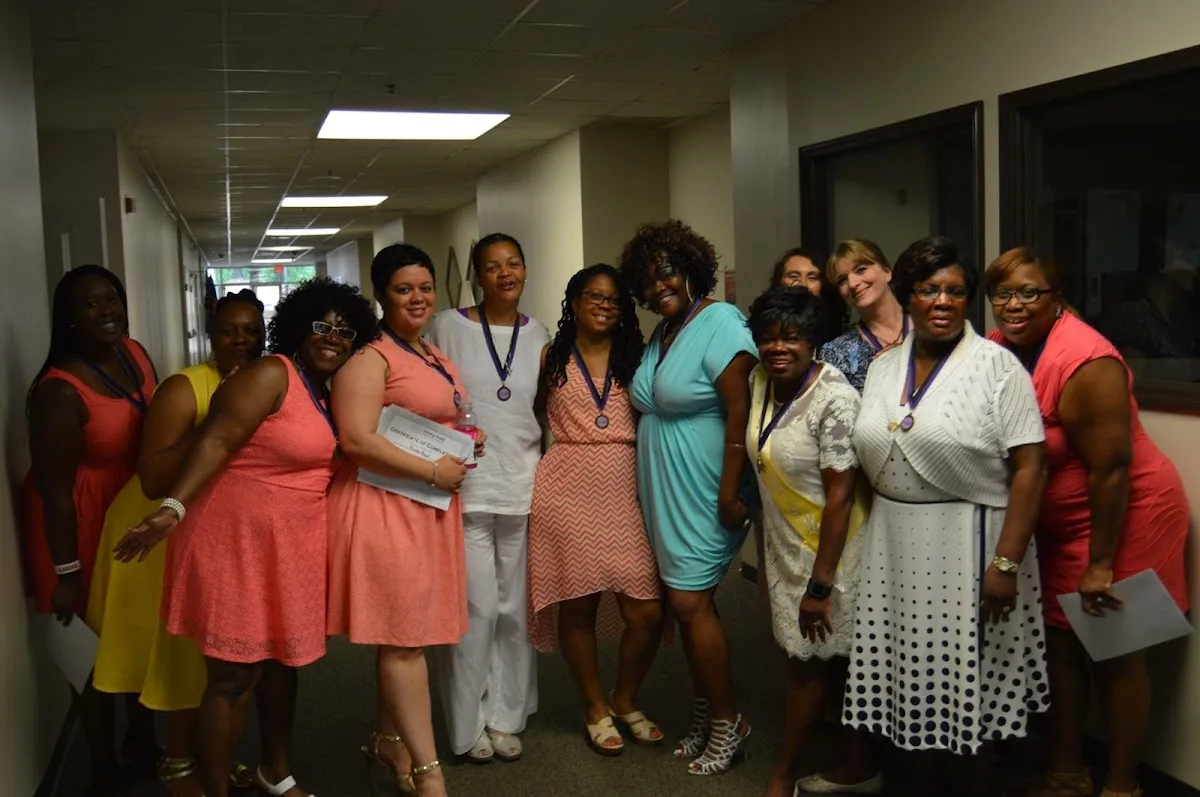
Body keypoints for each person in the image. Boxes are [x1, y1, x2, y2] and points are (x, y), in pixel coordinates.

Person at [113, 277, 379, 797]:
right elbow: (215, 441)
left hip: (291, 547)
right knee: (233, 679)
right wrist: (172, 508)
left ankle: (274, 771)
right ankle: (217, 789)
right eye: (322, 326)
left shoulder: (324, 389)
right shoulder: (269, 375)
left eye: (345, 331)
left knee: (284, 665)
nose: (333, 337)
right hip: (233, 542)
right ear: (299, 329)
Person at [844, 237, 1050, 796]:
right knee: (910, 679)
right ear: (908, 296)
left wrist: (1005, 563)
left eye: (956, 291)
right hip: (895, 543)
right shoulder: (885, 366)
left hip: (970, 542)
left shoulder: (996, 367)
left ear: (968, 300)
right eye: (929, 289)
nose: (943, 301)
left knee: (968, 685)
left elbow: (1031, 469)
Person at [985, 247, 1189, 797]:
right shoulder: (1002, 347)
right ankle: (1067, 773)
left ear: (1057, 298)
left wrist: (1101, 564)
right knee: (1062, 646)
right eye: (1002, 293)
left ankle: (1123, 787)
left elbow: (1112, 470)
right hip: (1057, 525)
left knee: (1116, 651)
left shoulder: (1085, 358)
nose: (1014, 304)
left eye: (1030, 292)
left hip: (1123, 516)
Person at [87, 290, 265, 796]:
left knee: (220, 658)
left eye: (251, 330)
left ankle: (210, 758)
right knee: (181, 651)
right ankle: (178, 765)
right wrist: (216, 421)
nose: (240, 340)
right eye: (230, 329)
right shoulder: (186, 387)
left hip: (217, 531)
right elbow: (152, 478)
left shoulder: (267, 380)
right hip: (158, 529)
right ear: (211, 334)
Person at [328, 244, 485, 797]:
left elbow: (439, 415)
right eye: (403, 289)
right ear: (381, 294)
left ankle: (389, 739)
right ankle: (429, 772)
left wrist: (466, 445)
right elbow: (354, 440)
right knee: (404, 640)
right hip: (386, 510)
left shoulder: (430, 352)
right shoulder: (370, 357)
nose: (417, 297)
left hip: (427, 505)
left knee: (403, 634)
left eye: (424, 287)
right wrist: (431, 469)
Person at [618, 219, 757, 776]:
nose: (658, 288)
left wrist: (729, 490)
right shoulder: (665, 333)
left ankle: (730, 723)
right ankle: (707, 713)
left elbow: (740, 412)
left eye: (667, 273)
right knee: (690, 603)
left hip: (705, 489)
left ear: (692, 269)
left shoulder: (720, 320)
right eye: (647, 282)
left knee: (691, 603)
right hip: (666, 492)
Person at [23, 264, 159, 795]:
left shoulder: (136, 353)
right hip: (73, 522)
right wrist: (67, 573)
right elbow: (55, 495)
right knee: (92, 644)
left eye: (112, 299)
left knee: (139, 628)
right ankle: (103, 765)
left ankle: (143, 742)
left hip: (127, 507)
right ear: (70, 319)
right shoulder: (58, 393)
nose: (107, 311)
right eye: (91, 304)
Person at [744, 286, 881, 797]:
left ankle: (783, 774)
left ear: (814, 343)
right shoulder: (762, 381)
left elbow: (841, 499)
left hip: (834, 555)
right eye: (768, 338)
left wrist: (820, 586)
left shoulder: (836, 400)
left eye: (793, 338)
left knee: (806, 665)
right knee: (830, 667)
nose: (778, 348)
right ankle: (858, 765)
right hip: (786, 545)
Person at [527, 264, 665, 756]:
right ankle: (593, 704)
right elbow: (532, 412)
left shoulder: (640, 356)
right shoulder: (552, 355)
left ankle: (624, 696)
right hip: (566, 484)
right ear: (574, 301)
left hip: (627, 480)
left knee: (646, 610)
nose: (604, 306)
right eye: (594, 296)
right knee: (578, 602)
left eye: (613, 300)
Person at [426, 233, 551, 764]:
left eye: (514, 264)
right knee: (475, 608)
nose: (505, 273)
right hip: (468, 487)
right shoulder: (447, 327)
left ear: (525, 271)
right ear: (477, 275)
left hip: (523, 485)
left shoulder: (541, 333)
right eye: (493, 266)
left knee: (514, 610)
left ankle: (506, 715)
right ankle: (466, 722)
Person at [818, 240, 909, 392]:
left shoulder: (929, 325)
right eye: (842, 280)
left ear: (887, 271)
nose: (853, 284)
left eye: (860, 270)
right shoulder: (837, 353)